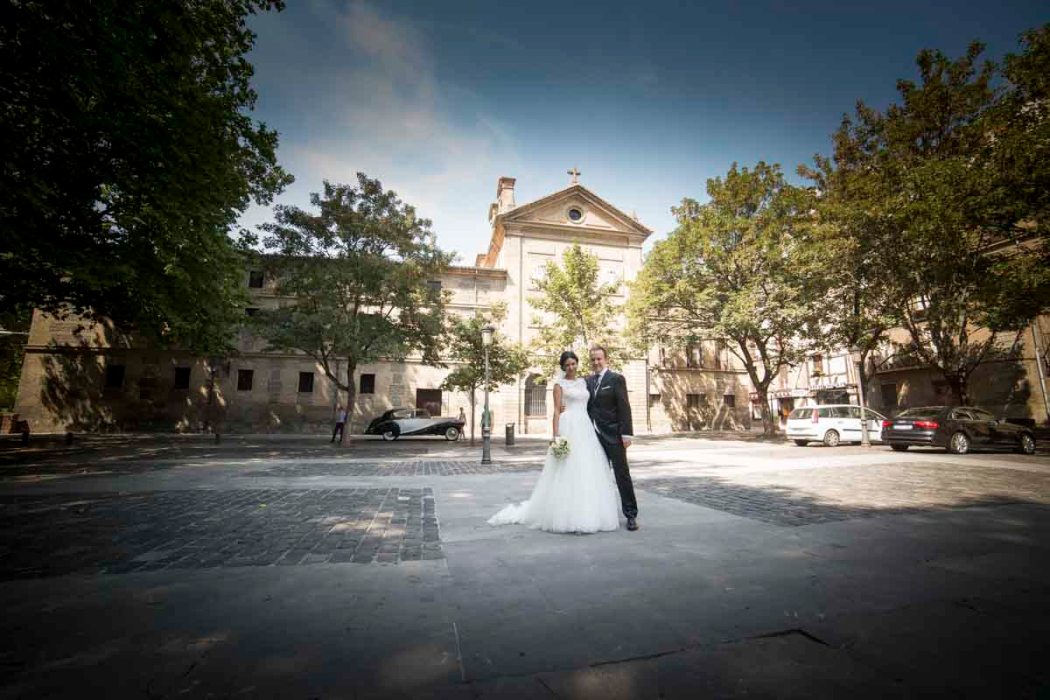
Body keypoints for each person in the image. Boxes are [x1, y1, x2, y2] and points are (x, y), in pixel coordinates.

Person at [488, 351, 620, 533]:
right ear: (563, 367)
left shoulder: (584, 382)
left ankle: (590, 512)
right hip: (569, 426)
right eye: (567, 365)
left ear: (577, 363)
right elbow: (557, 411)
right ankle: (568, 515)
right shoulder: (559, 385)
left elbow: (591, 403)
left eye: (573, 363)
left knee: (587, 468)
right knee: (568, 468)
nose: (571, 367)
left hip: (585, 427)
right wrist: (556, 436)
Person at [587, 345, 639, 531]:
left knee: (622, 475)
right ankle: (599, 513)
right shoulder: (588, 381)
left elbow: (624, 407)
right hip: (593, 437)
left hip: (614, 435)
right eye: (593, 359)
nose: (596, 362)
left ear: (606, 359)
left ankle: (631, 515)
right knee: (597, 475)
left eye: (599, 359)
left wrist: (626, 434)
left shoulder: (616, 379)